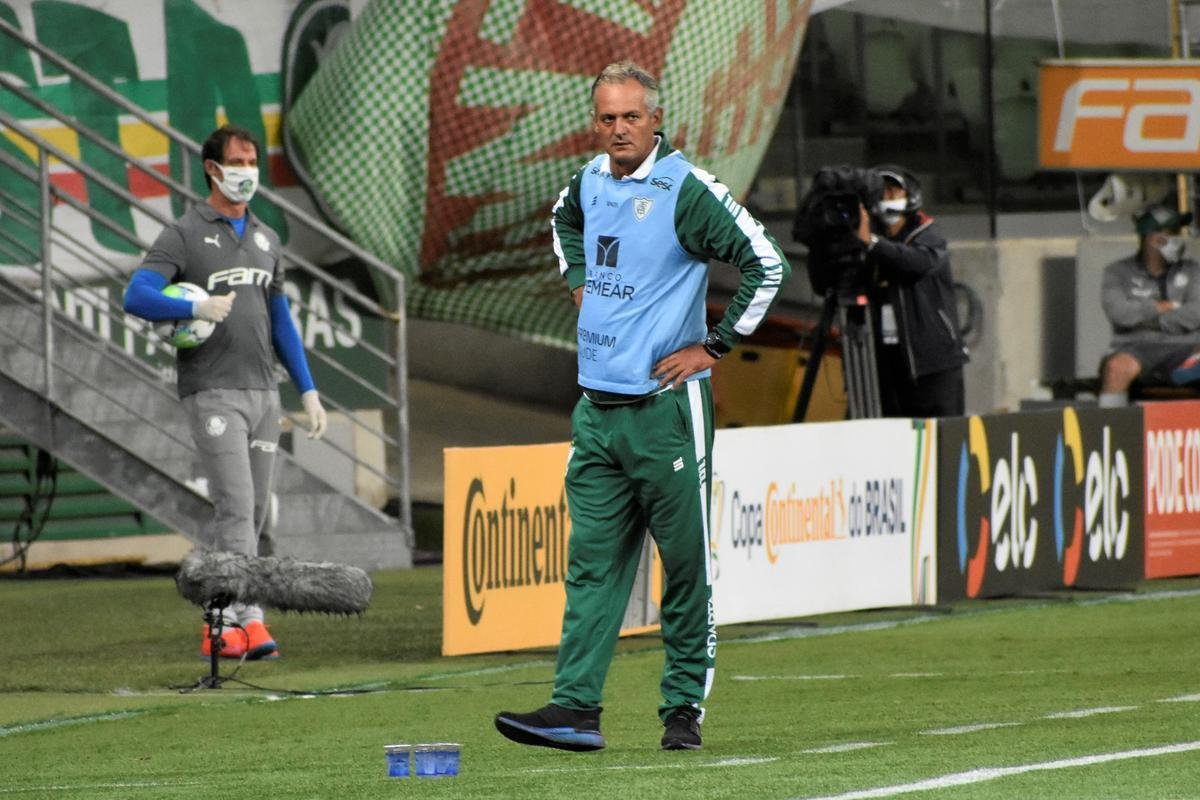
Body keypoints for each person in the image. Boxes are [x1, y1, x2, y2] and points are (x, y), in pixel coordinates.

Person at [493, 61, 791, 753]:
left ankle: (682, 708)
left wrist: (713, 348)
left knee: (684, 567)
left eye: (631, 116)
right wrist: (577, 278)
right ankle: (574, 710)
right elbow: (562, 222)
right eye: (607, 118)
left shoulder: (685, 189)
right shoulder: (588, 184)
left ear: (657, 120)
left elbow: (766, 263)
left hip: (665, 411)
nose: (619, 128)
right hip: (596, 411)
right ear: (592, 123)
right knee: (593, 568)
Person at [123, 124, 327, 659]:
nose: (247, 172)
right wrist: (192, 307)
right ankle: (244, 619)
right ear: (213, 169)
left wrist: (307, 390)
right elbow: (137, 294)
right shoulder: (184, 234)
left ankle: (225, 621)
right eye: (237, 162)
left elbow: (280, 318)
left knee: (257, 510)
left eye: (253, 161)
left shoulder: (265, 237)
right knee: (235, 506)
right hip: (212, 391)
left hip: (264, 393)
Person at [855, 165, 968, 417]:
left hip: (931, 363)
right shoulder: (871, 242)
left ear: (910, 196)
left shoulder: (929, 236)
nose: (887, 199)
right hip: (890, 361)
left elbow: (916, 262)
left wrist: (872, 243)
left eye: (893, 192)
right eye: (882, 193)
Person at [1098, 203, 1200, 406]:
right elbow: (1120, 313)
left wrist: (1147, 319)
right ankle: (1112, 430)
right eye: (1170, 232)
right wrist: (1158, 308)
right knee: (1116, 368)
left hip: (1185, 347)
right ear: (1151, 238)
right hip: (1135, 347)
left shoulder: (1193, 270)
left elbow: (1196, 312)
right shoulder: (1117, 272)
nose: (1178, 237)